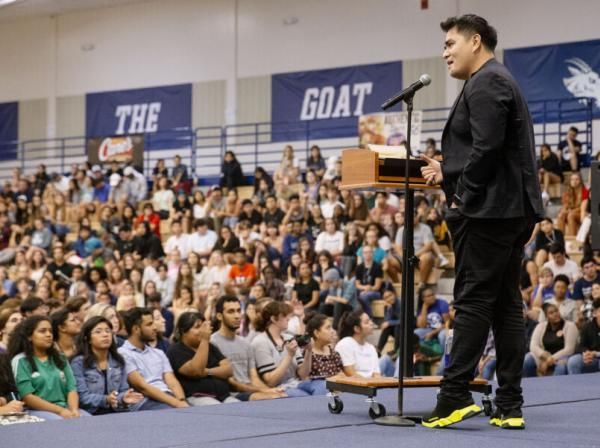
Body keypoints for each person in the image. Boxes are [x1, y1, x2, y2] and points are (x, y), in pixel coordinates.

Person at [420, 15, 543, 429]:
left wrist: (459, 194)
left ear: (476, 41)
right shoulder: (498, 79)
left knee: (472, 301)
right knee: (507, 303)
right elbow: (490, 149)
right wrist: (449, 171)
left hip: (489, 211)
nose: (445, 53)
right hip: (509, 210)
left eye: (451, 43)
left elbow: (487, 148)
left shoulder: (486, 81)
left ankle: (454, 395)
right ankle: (509, 404)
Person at [9, 316, 90, 420]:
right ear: (29, 336)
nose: (48, 335)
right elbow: (27, 397)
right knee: (58, 422)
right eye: (42, 331)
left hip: (65, 408)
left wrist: (74, 410)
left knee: (88, 420)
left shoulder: (60, 358)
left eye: (50, 331)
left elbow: (71, 388)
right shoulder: (20, 361)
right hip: (35, 411)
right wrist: (60, 411)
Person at [211, 295, 285, 400]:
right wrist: (265, 391)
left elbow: (253, 377)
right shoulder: (212, 343)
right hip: (231, 393)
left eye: (238, 311)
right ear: (219, 316)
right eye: (231, 312)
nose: (237, 316)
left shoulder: (245, 343)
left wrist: (270, 390)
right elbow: (231, 383)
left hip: (250, 390)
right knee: (272, 398)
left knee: (281, 395)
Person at [118, 308, 188, 410]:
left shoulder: (158, 353)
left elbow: (172, 381)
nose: (155, 327)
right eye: (149, 324)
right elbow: (142, 387)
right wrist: (177, 404)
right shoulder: (123, 353)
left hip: (168, 398)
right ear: (136, 329)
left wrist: (182, 401)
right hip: (146, 401)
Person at [70, 316, 143, 414]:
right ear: (88, 339)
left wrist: (123, 398)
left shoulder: (119, 361)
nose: (105, 335)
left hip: (116, 410)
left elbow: (122, 390)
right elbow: (82, 397)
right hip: (90, 412)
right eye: (98, 332)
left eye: (108, 331)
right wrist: (106, 399)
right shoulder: (78, 363)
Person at [167, 311, 239, 405]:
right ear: (183, 331)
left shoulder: (211, 347)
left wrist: (208, 371)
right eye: (197, 327)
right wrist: (205, 339)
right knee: (218, 409)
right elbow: (196, 371)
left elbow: (228, 370)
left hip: (224, 395)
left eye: (203, 326)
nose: (202, 330)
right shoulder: (175, 350)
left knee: (240, 408)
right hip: (197, 396)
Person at [251, 301, 312, 396]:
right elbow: (271, 382)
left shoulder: (289, 338)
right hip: (279, 389)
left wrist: (309, 351)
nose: (288, 318)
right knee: (303, 395)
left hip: (298, 383)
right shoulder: (260, 342)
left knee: (324, 386)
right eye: (284, 316)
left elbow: (303, 375)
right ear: (274, 319)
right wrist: (289, 356)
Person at [524, 303, 577, 377]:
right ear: (546, 317)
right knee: (527, 359)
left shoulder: (570, 326)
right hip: (544, 357)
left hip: (562, 357)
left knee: (561, 367)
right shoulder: (541, 326)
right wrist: (544, 355)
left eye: (556, 311)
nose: (555, 314)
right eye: (551, 313)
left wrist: (550, 359)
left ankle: (556, 388)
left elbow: (569, 350)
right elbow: (533, 346)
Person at [335, 310, 380, 378]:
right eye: (366, 322)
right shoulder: (345, 344)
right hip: (355, 386)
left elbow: (376, 374)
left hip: (372, 385)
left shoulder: (371, 348)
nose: (371, 323)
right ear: (357, 329)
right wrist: (369, 384)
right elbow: (350, 373)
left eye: (370, 320)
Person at [567, 300, 600, 374]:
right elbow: (580, 346)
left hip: (596, 355)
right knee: (573, 361)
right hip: (592, 358)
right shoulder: (587, 326)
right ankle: (575, 384)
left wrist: (596, 354)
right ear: (595, 313)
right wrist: (586, 353)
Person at [354, 245, 383, 317]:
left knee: (363, 296)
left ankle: (369, 316)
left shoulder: (377, 267)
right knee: (357, 295)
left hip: (375, 292)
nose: (367, 254)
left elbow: (377, 286)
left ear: (373, 253)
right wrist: (365, 288)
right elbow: (357, 284)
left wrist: (369, 288)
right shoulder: (359, 267)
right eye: (365, 252)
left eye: (370, 252)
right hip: (362, 291)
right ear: (362, 254)